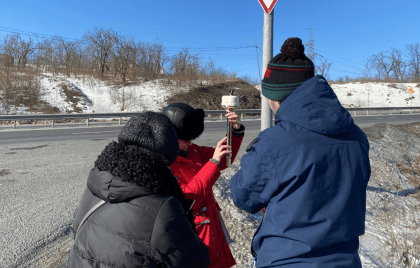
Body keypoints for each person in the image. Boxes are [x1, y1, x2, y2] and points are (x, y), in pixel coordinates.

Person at [230, 38, 371, 268]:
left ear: (276, 98)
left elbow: (243, 195)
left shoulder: (275, 142)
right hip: (346, 261)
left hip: (287, 260)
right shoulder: (357, 137)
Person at [67, 112, 210, 268]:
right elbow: (197, 260)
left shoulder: (96, 185)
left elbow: (78, 231)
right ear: (168, 154)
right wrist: (186, 219)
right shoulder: (164, 208)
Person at [162, 102, 245, 268]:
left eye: (192, 136)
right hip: (195, 237)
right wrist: (213, 162)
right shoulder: (165, 164)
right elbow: (188, 198)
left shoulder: (195, 151)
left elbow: (224, 159)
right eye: (185, 138)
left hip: (212, 232)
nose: (190, 142)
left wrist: (234, 131)